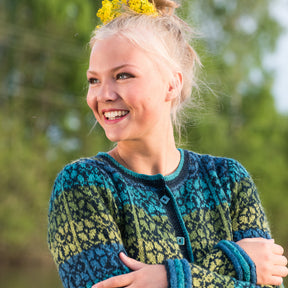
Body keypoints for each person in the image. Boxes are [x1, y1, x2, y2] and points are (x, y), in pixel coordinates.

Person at [47, 0, 288, 287]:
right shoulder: (81, 185)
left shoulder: (229, 180)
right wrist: (236, 262)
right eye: (94, 80)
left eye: (123, 75)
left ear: (171, 84)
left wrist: (165, 279)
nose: (103, 94)